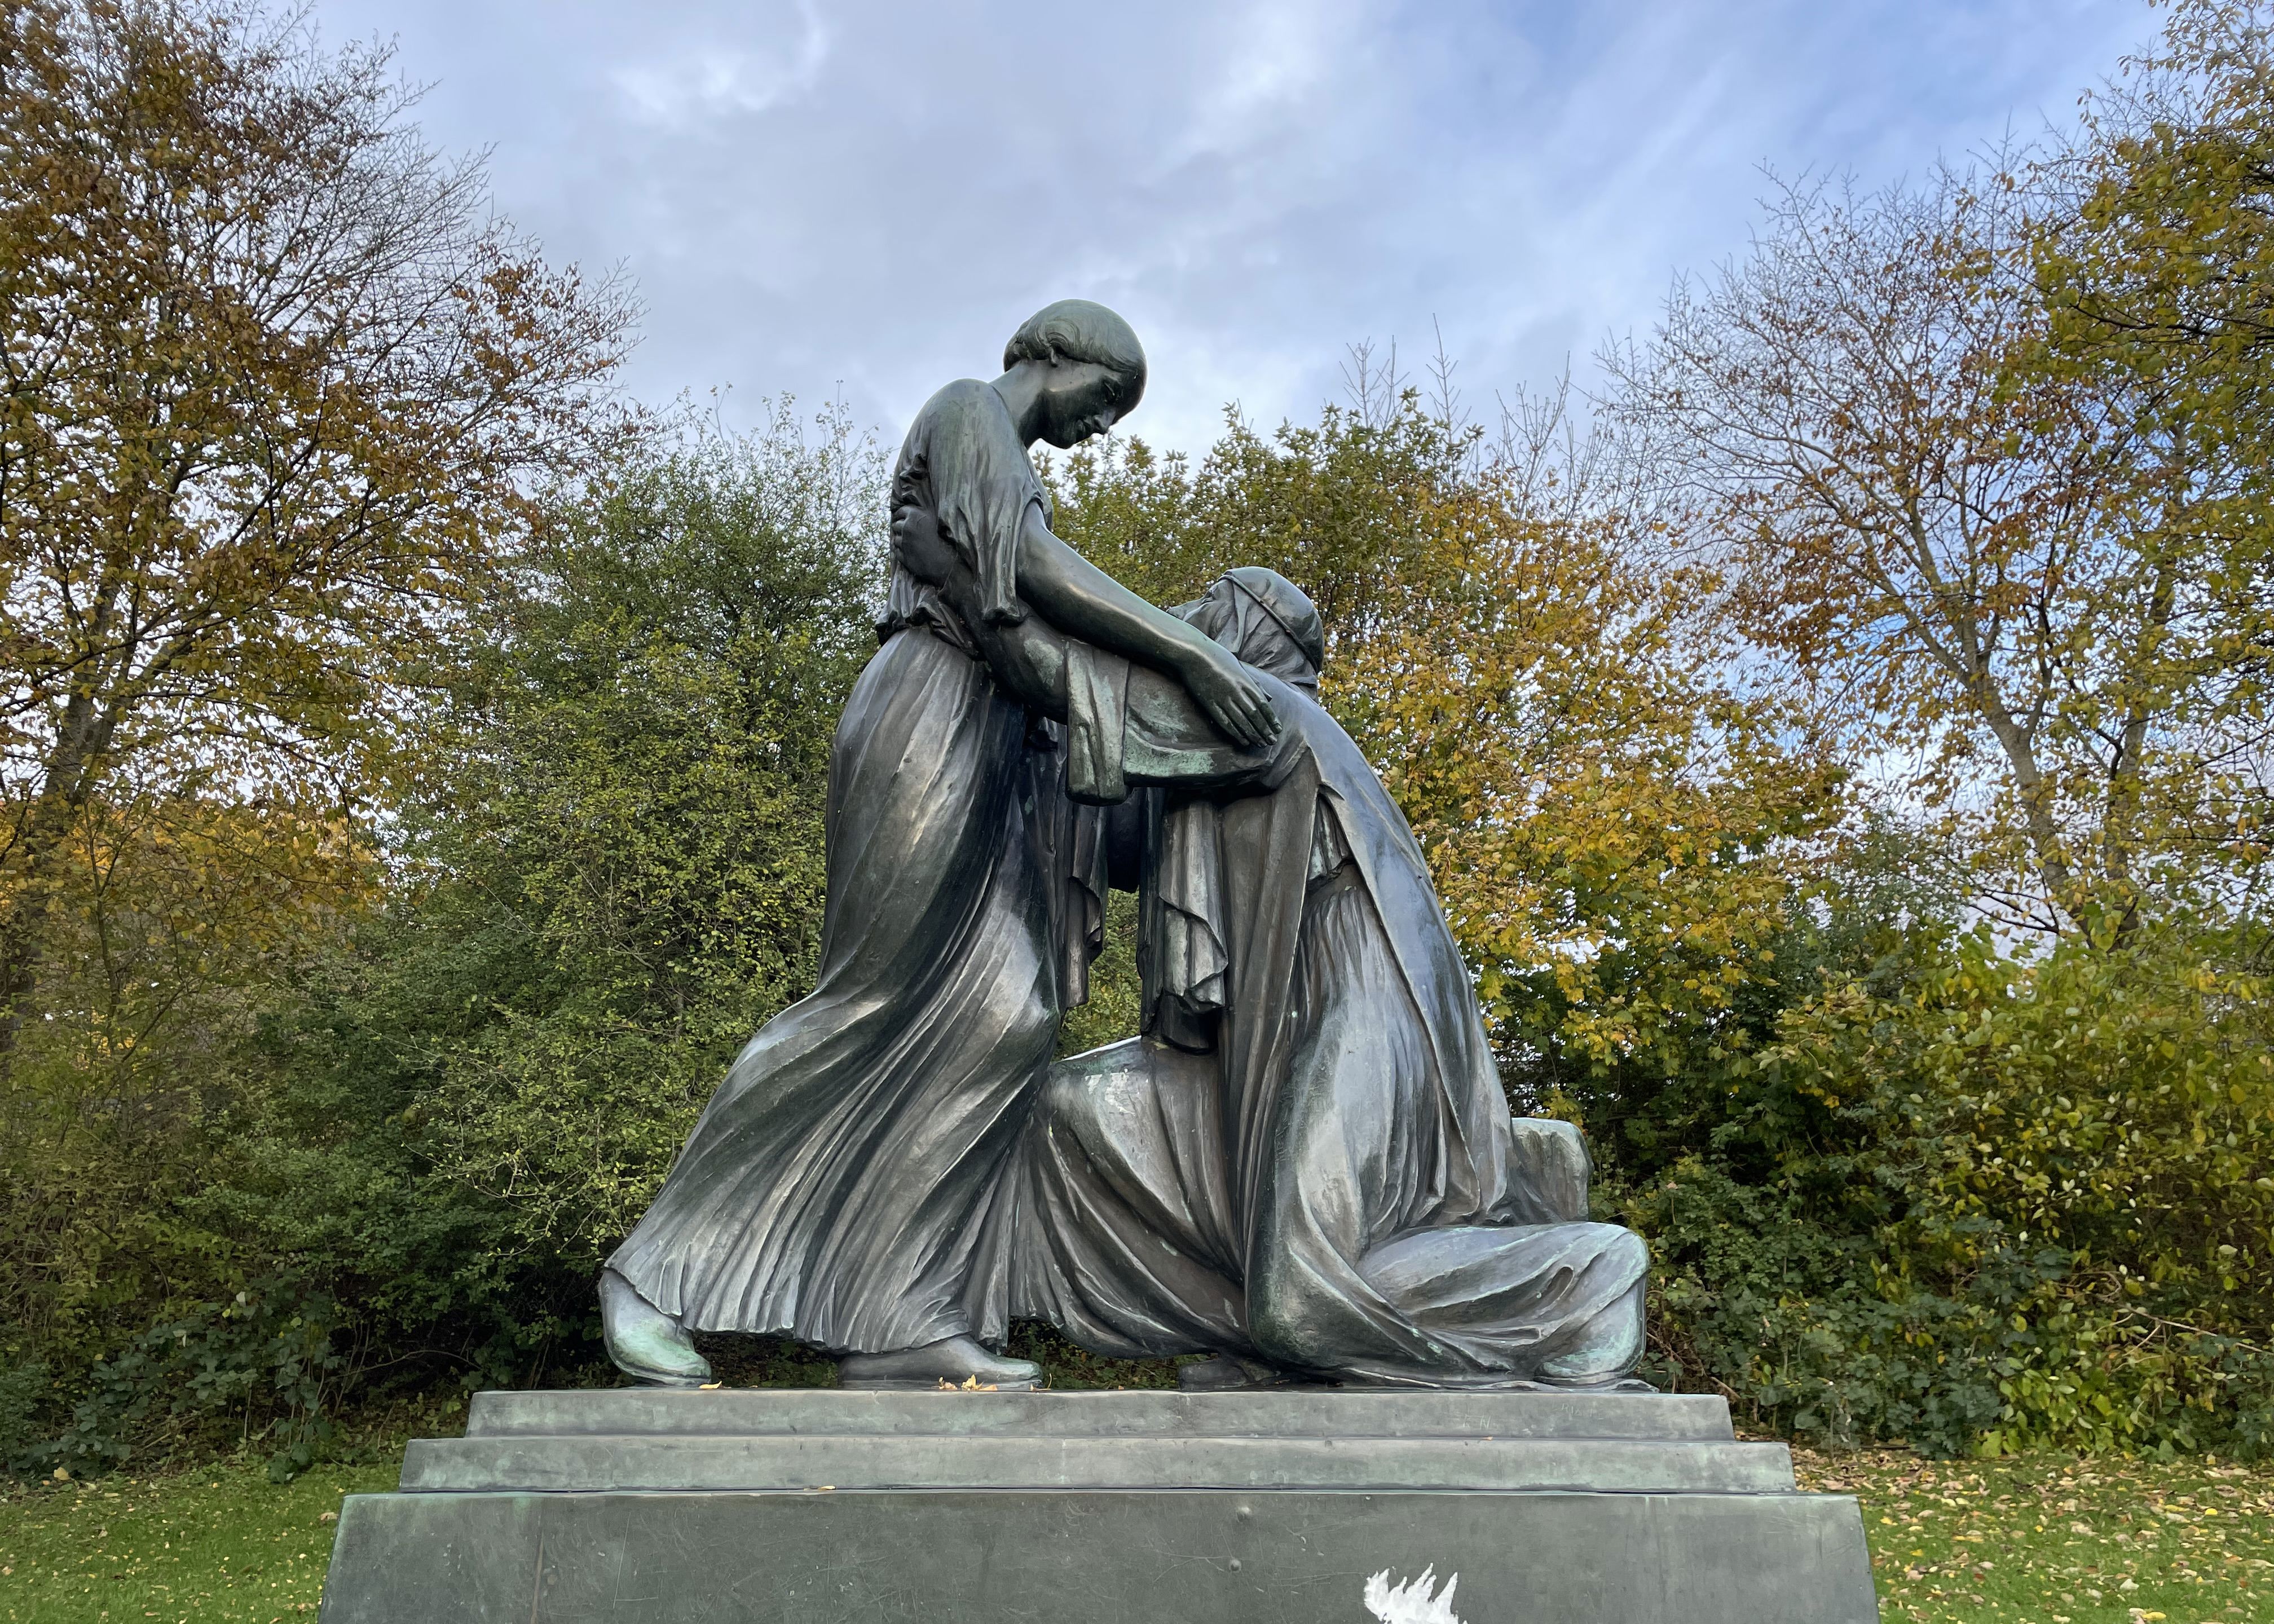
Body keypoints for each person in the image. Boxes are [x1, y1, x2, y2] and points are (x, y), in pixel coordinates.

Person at [597, 301, 1277, 1389]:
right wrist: (1197, 656)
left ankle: (902, 1315)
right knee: (869, 998)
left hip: (998, 742)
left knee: (1009, 1013)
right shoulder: (970, 413)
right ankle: (652, 1274)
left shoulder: (1007, 461)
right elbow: (1038, 578)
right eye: (1107, 400)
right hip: (927, 711)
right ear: (1056, 355)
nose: (1105, 428)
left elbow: (1025, 631)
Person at [887, 517, 1650, 1387]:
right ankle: (1226, 1323)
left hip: (1369, 1002)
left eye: (1212, 605)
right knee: (1058, 1110)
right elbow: (1116, 824)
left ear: (1252, 631)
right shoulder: (1224, 746)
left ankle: (1583, 1277)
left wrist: (978, 586)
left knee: (1298, 1295)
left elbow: (1073, 685)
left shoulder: (1266, 714)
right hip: (1274, 1025)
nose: (1190, 619)